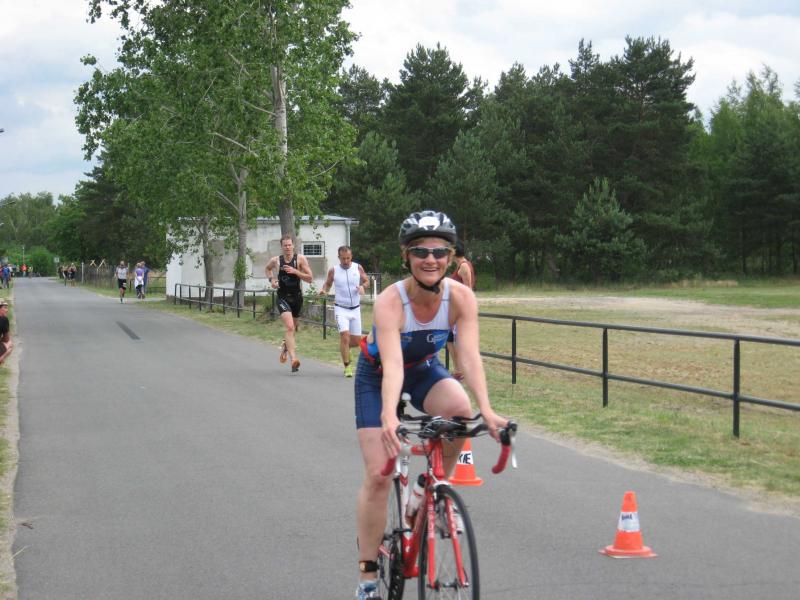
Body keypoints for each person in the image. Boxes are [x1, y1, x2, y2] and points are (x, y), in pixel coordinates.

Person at [352, 210, 508, 599]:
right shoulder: (391, 301)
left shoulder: (461, 298)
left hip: (423, 369)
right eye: (420, 251)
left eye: (439, 252)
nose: (430, 259)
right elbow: (391, 366)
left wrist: (487, 410)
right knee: (378, 474)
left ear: (451, 257)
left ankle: (433, 488)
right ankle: (368, 576)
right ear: (406, 256)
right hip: (377, 376)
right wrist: (389, 416)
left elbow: (468, 357)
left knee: (459, 409)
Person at [264, 234, 313, 373]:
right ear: (281, 246)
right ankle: (294, 360)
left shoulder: (300, 259)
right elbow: (267, 269)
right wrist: (272, 280)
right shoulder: (276, 261)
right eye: (285, 245)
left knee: (292, 330)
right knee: (290, 327)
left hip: (297, 298)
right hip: (283, 297)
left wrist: (296, 271)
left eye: (289, 245)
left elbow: (310, 278)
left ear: (293, 245)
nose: (287, 247)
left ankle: (285, 347)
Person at [320, 245, 370, 377]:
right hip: (341, 308)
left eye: (348, 258)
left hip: (355, 309)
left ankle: (346, 349)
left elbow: (366, 281)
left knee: (356, 341)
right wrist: (324, 290)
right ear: (339, 258)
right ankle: (347, 366)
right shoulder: (334, 270)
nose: (346, 261)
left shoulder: (358, 267)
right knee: (345, 336)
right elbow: (328, 283)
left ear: (351, 256)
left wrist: (363, 286)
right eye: (343, 258)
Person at [446, 240, 476, 381]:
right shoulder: (459, 266)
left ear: (454, 252)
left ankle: (462, 370)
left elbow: (468, 290)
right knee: (449, 339)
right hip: (453, 309)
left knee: (459, 341)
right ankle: (458, 369)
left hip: (460, 310)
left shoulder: (464, 266)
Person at [0, 299, 13, 366]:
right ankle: (1, 359)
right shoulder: (3, 319)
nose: (7, 310)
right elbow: (6, 339)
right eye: (5, 308)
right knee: (10, 344)